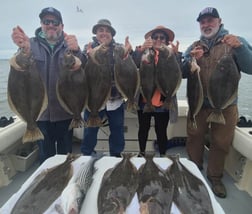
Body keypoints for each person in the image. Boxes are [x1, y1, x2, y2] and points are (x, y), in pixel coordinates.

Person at [182, 7, 252, 198]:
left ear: (219, 21)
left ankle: (215, 177)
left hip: (226, 105)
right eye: (202, 22)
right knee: (194, 136)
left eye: (210, 20)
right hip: (199, 104)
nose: (206, 25)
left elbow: (250, 67)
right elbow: (181, 71)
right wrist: (189, 60)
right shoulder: (194, 46)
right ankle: (194, 170)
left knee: (221, 142)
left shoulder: (235, 42)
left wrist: (240, 47)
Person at [11, 7, 86, 163]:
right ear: (41, 24)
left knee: (66, 156)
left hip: (65, 113)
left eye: (55, 22)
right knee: (46, 158)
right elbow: (18, 71)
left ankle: (65, 181)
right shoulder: (30, 44)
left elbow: (82, 69)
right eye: (47, 21)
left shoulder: (69, 47)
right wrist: (22, 48)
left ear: (62, 26)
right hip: (40, 115)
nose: (51, 25)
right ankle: (48, 183)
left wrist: (78, 51)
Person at [81, 19, 132, 157]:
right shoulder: (88, 48)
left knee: (117, 131)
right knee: (90, 131)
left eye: (107, 31)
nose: (104, 33)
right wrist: (86, 56)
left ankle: (115, 156)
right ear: (96, 34)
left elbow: (133, 64)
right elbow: (77, 65)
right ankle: (86, 155)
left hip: (115, 101)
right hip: (93, 101)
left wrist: (133, 52)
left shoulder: (120, 48)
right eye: (100, 30)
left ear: (112, 34)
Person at [132, 26, 181, 157]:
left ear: (166, 41)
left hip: (163, 103)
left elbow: (179, 72)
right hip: (144, 100)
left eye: (162, 37)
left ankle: (163, 155)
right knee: (143, 129)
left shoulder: (171, 55)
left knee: (161, 131)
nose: (158, 39)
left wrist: (177, 55)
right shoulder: (144, 53)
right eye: (155, 37)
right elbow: (133, 64)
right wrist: (140, 50)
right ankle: (141, 152)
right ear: (151, 40)